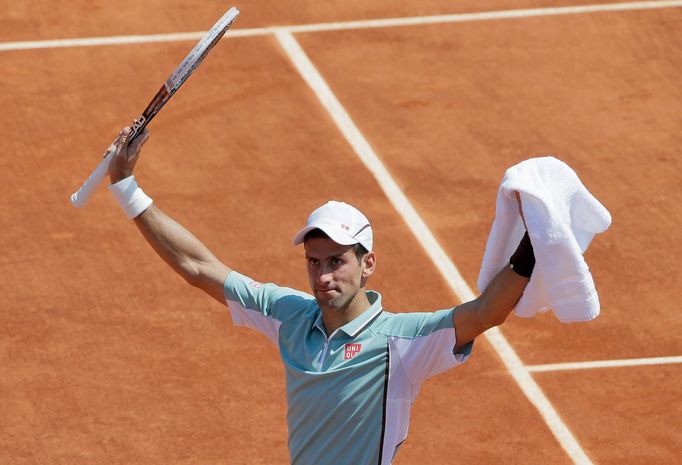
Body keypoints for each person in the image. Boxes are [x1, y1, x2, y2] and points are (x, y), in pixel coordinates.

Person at [106, 126, 535, 465]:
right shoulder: (288, 314)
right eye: (314, 261)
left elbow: (484, 313)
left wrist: (535, 244)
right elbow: (199, 268)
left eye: (336, 261)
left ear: (367, 264)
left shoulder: (402, 341)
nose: (323, 275)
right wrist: (126, 187)